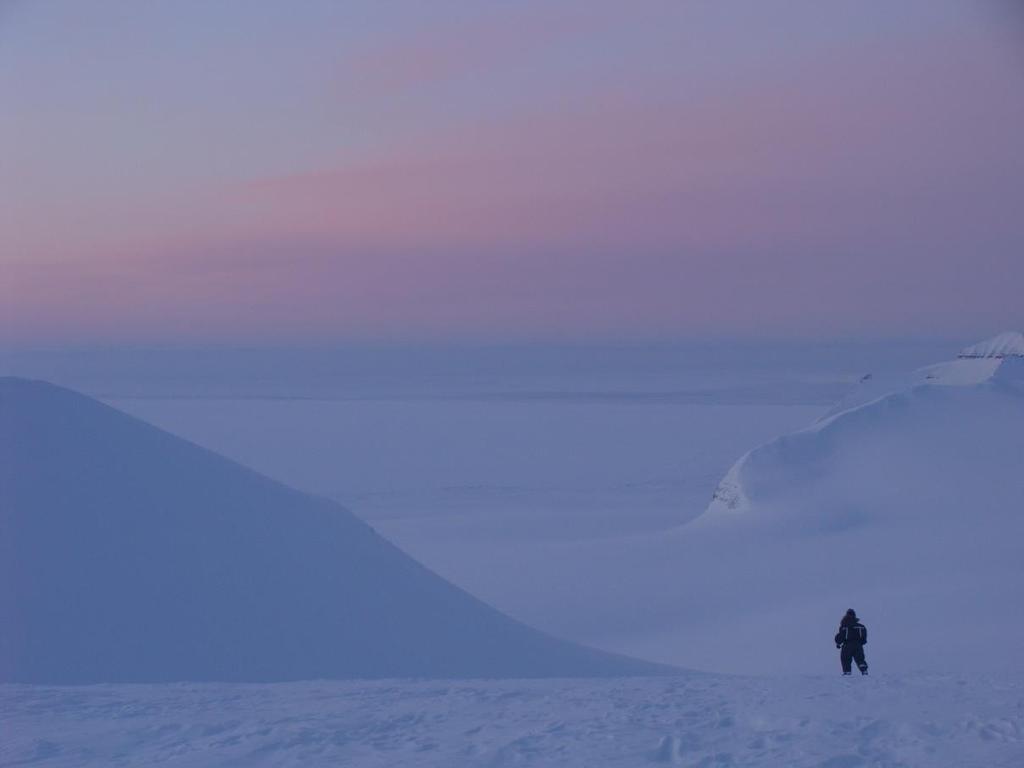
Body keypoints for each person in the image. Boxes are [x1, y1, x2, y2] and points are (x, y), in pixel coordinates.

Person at [834, 608, 868, 675]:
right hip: (858, 645)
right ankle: (864, 670)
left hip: (847, 645)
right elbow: (864, 637)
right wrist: (861, 642)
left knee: (845, 659)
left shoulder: (844, 626)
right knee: (860, 658)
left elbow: (841, 636)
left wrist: (838, 643)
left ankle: (847, 672)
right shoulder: (861, 626)